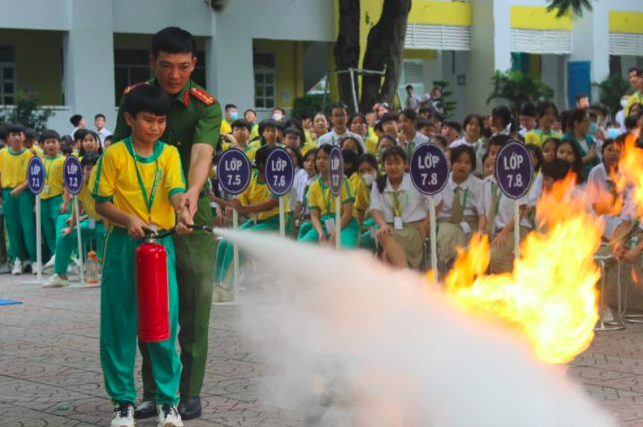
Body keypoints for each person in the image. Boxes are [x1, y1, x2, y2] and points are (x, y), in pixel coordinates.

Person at [112, 26, 221, 421]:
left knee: (193, 308)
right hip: (147, 222)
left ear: (194, 63)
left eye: (183, 66)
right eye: (166, 66)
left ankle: (189, 391)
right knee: (151, 307)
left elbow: (201, 153)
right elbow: (121, 157)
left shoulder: (206, 105)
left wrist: (190, 194)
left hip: (191, 219)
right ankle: (155, 391)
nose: (175, 75)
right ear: (152, 63)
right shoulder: (135, 98)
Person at [93, 84, 191, 427]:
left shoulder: (169, 155)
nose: (155, 127)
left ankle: (169, 402)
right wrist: (130, 219)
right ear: (130, 119)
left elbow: (176, 191)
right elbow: (101, 202)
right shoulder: (115, 155)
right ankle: (123, 403)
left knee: (163, 324)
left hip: (159, 245)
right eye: (148, 120)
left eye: (161, 121)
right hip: (123, 245)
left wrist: (183, 210)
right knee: (119, 324)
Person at [214, 146, 291, 299]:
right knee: (224, 242)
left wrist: (244, 208)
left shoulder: (278, 178)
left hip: (277, 222)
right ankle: (217, 283)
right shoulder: (253, 178)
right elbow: (240, 205)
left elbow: (272, 203)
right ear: (262, 164)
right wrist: (220, 202)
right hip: (257, 221)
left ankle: (227, 286)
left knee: (237, 242)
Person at [44, 152, 104, 288]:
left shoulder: (104, 183)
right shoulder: (80, 185)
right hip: (92, 222)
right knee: (65, 237)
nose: (91, 171)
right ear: (82, 170)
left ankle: (111, 275)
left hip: (108, 225)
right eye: (88, 168)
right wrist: (71, 228)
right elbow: (79, 206)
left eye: (95, 168)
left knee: (107, 247)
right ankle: (61, 276)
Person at [371, 146, 431, 269]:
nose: (393, 167)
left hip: (412, 230)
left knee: (387, 257)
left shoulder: (416, 181)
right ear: (383, 165)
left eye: (397, 162)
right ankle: (406, 274)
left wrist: (425, 223)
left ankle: (402, 278)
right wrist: (382, 224)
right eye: (389, 163)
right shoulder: (378, 183)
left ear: (405, 164)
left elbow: (436, 203)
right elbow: (374, 208)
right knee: (382, 234)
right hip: (389, 228)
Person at [435, 145, 486, 274]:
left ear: (472, 166)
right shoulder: (441, 181)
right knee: (448, 236)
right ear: (451, 163)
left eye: (467, 163)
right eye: (458, 161)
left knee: (474, 245)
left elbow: (482, 214)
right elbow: (435, 209)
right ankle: (450, 270)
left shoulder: (479, 185)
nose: (462, 166)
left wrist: (480, 232)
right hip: (447, 221)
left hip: (470, 222)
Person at [298, 144, 359, 247]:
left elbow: (348, 213)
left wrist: (335, 233)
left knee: (345, 251)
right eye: (318, 158)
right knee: (301, 248)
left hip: (345, 225)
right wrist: (321, 233)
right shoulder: (314, 186)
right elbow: (314, 215)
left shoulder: (343, 181)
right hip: (323, 224)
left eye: (325, 158)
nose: (321, 161)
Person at [483, 152, 530, 274]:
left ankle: (509, 287)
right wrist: (482, 232)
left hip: (514, 230)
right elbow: (483, 211)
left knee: (495, 256)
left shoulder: (517, 180)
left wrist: (504, 233)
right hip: (493, 231)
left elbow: (521, 210)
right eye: (492, 153)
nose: (495, 158)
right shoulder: (486, 183)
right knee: (469, 252)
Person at [0, 123, 37, 275]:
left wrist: (21, 188)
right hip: (8, 194)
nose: (16, 137)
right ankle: (18, 259)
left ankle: (34, 259)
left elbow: (35, 177)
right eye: (13, 135)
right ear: (7, 138)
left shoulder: (30, 154)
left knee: (28, 227)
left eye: (19, 134)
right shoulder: (2, 153)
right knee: (12, 228)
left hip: (25, 193)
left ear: (24, 137)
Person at [39, 130, 65, 262]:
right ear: (42, 145)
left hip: (57, 198)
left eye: (53, 142)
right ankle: (54, 256)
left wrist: (65, 202)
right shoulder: (40, 162)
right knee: (47, 230)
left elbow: (67, 184)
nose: (51, 145)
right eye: (47, 142)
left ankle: (66, 258)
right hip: (42, 200)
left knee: (59, 229)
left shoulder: (63, 160)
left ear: (59, 144)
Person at [564, 108, 599, 181]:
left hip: (591, 181)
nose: (589, 124)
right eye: (586, 121)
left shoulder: (590, 139)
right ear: (576, 123)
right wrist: (588, 158)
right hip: (575, 181)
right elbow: (566, 164)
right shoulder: (566, 140)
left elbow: (597, 161)